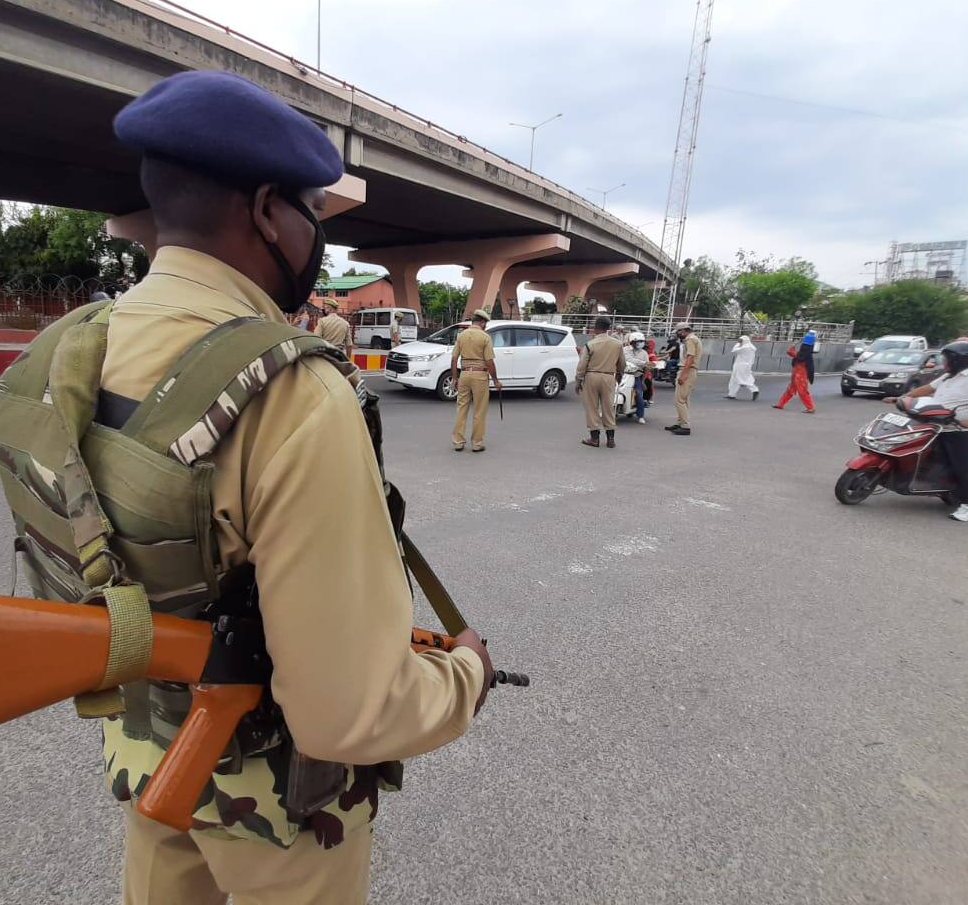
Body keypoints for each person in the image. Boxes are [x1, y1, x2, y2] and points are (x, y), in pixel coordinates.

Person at [81, 72, 490, 904]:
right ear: (269, 211)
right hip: (277, 802)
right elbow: (346, 714)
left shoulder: (76, 348)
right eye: (310, 212)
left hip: (154, 757)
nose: (314, 239)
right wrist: (464, 678)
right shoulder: (292, 393)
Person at [892, 341, 968, 522]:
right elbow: (928, 389)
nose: (944, 362)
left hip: (959, 431)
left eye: (947, 359)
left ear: (959, 361)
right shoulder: (948, 376)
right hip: (936, 427)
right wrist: (903, 397)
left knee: (962, 468)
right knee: (925, 457)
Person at [450, 308, 501, 452]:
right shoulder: (485, 337)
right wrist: (496, 380)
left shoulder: (461, 335)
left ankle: (458, 442)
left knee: (461, 408)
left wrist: (455, 378)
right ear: (482, 322)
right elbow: (489, 362)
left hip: (464, 374)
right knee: (479, 411)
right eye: (485, 323)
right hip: (480, 376)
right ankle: (477, 443)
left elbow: (454, 359)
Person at [575, 316, 626, 447]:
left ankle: (594, 438)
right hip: (609, 376)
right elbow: (622, 363)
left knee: (592, 407)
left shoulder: (590, 344)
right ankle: (610, 439)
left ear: (595, 328)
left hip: (591, 376)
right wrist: (619, 374)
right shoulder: (617, 344)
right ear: (608, 328)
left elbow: (582, 365)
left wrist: (578, 380)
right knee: (608, 407)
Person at [667, 321, 700, 436]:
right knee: (684, 400)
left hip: (687, 370)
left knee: (679, 400)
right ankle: (680, 422)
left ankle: (685, 426)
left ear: (685, 330)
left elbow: (690, 357)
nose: (678, 333)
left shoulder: (690, 339)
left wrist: (684, 375)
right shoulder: (693, 338)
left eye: (679, 331)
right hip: (690, 370)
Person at [774, 331, 816, 413]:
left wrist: (795, 343)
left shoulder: (801, 354)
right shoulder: (806, 354)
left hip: (800, 375)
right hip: (798, 375)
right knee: (790, 390)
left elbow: (789, 351)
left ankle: (811, 407)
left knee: (802, 391)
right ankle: (780, 404)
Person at [622, 331, 651, 423]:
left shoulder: (644, 353)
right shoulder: (625, 350)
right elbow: (628, 359)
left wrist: (643, 381)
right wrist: (644, 363)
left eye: (641, 341)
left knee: (639, 394)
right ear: (631, 342)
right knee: (611, 392)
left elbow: (647, 368)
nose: (639, 343)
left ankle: (640, 416)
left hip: (636, 376)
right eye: (637, 341)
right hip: (623, 375)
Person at [726, 334, 760, 400]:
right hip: (743, 365)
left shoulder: (746, 347)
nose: (739, 342)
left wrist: (738, 344)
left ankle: (755, 390)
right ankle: (731, 394)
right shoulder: (750, 347)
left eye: (741, 341)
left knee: (742, 380)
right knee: (734, 380)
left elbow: (734, 350)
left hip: (741, 366)